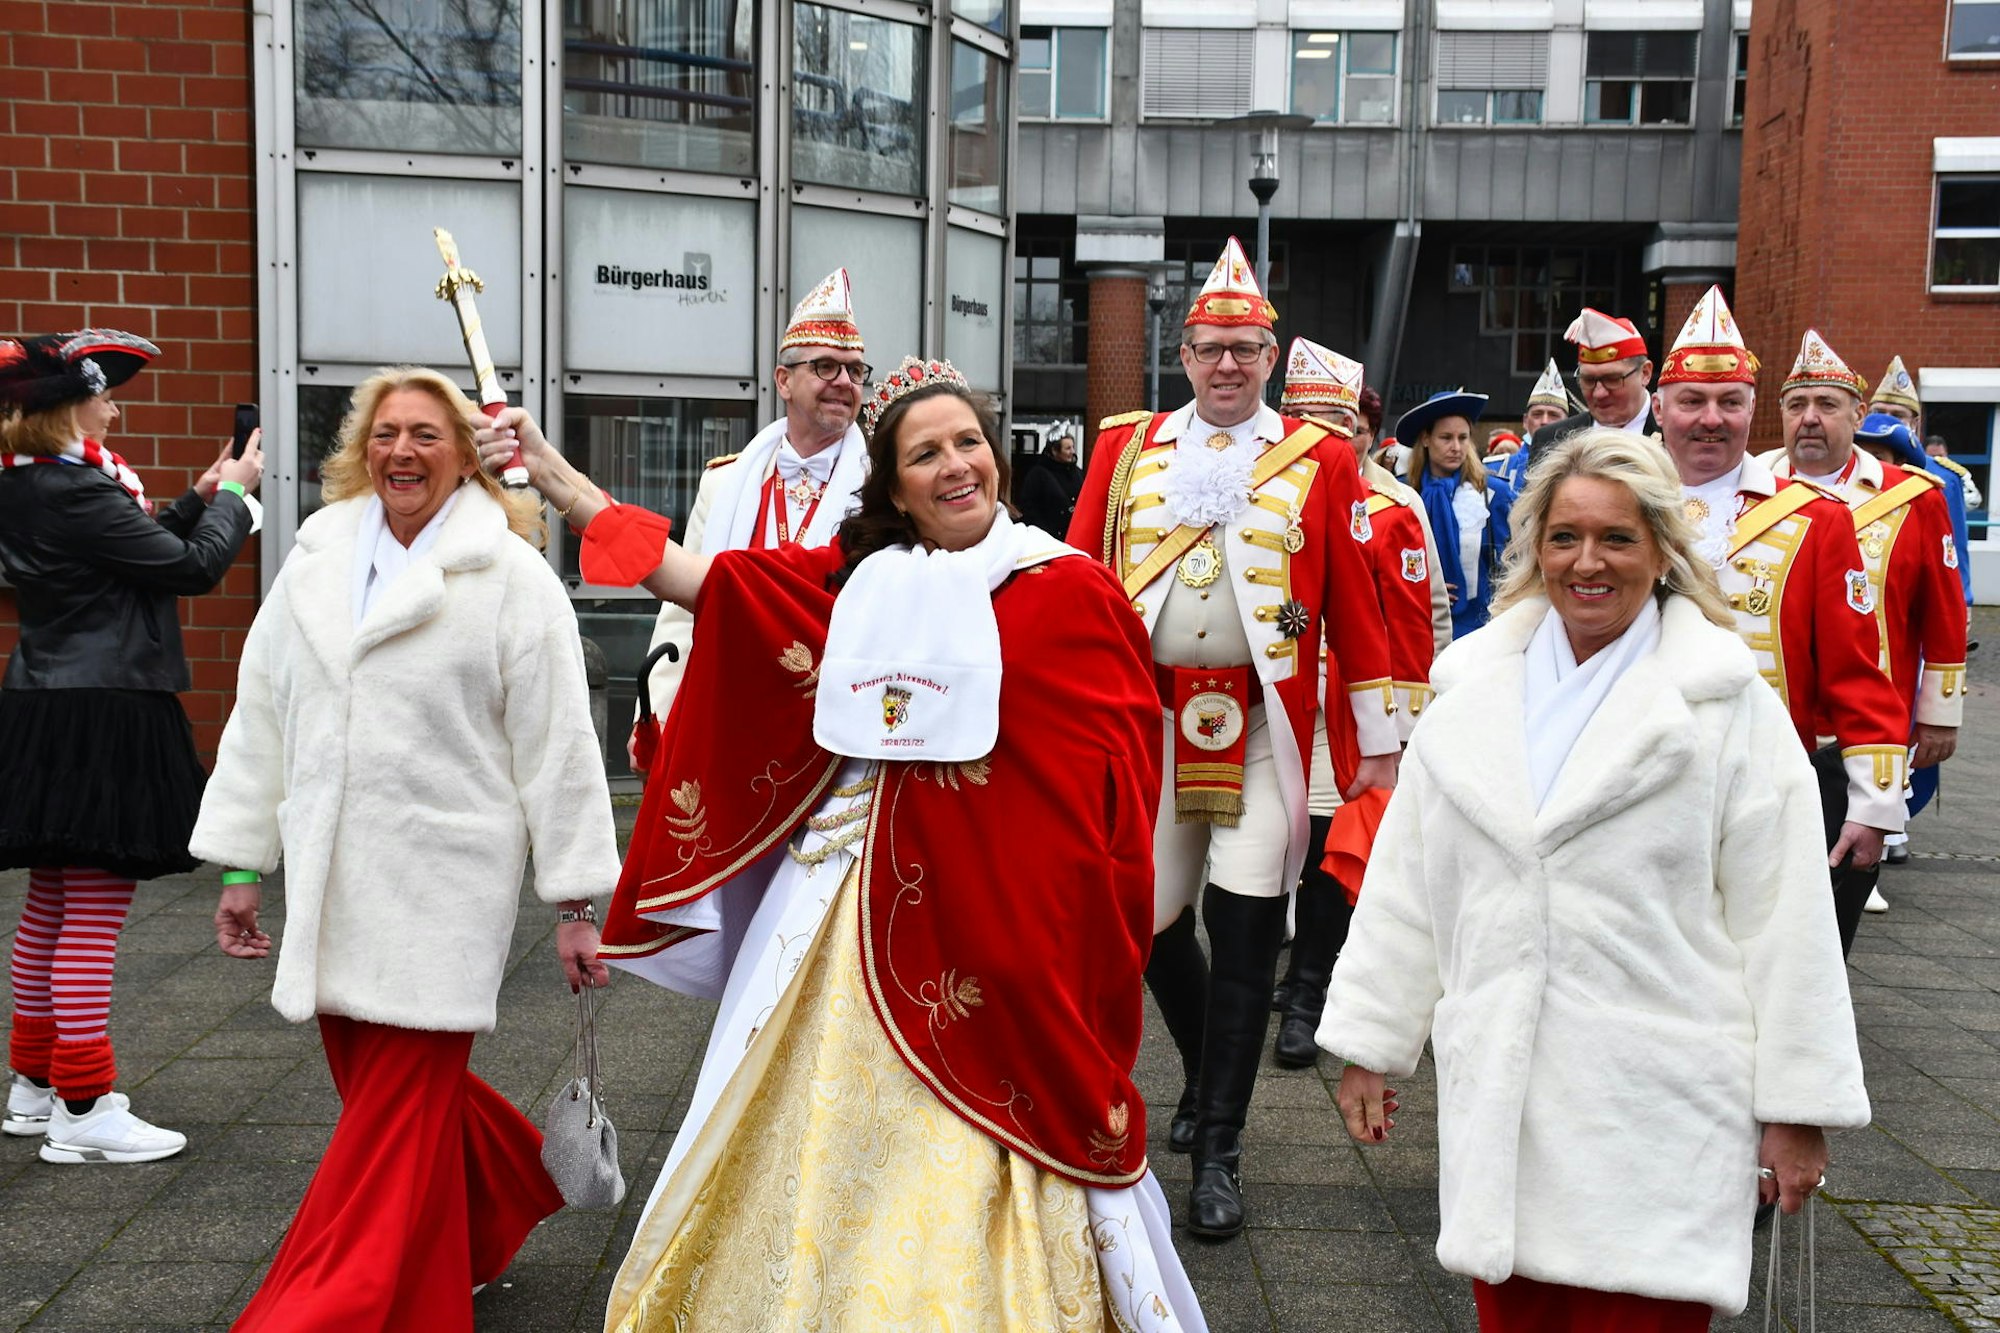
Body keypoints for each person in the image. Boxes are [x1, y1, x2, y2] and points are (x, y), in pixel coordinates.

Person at [479, 356, 1205, 1331]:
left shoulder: (1073, 592)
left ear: (993, 456)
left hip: (1010, 944)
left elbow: (1113, 798)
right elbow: (704, 583)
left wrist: (1082, 927)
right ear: (892, 484)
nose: (954, 464)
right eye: (924, 452)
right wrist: (555, 475)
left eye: (967, 442)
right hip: (849, 932)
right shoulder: (857, 584)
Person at [1324, 426, 1871, 1329]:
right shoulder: (1469, 692)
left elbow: (1790, 922)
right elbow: (1409, 884)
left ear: (1661, 548)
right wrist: (1375, 1040)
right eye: (1565, 535)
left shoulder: (1726, 705)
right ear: (1535, 545)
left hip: (1656, 1112)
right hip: (1503, 1103)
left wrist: (1797, 1108)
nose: (1589, 561)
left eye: (1617, 537)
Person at [191, 366, 621, 1330]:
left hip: (442, 891)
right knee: (397, 1105)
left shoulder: (509, 579)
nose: (402, 451)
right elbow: (263, 717)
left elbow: (559, 745)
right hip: (332, 885)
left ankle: (317, 1311)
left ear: (467, 456)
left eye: (427, 434)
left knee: (383, 1134)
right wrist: (239, 862)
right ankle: (488, 1206)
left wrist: (576, 903)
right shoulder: (311, 563)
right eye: (386, 433)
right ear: (360, 450)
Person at [1066, 238, 1398, 1239]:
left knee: (1247, 927)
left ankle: (1218, 1147)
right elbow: (1077, 574)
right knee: (1149, 922)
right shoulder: (1127, 448)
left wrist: (1377, 740)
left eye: (1244, 350)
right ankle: (1215, 1059)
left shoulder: (1321, 459)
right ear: (1182, 350)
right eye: (1210, 348)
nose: (1226, 365)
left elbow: (1358, 602)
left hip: (1260, 725)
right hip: (1150, 723)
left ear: (1268, 356)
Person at [0, 330, 262, 1162]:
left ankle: (35, 1086)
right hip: (106, 707)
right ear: (66, 407)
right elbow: (187, 570)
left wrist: (197, 493)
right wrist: (239, 502)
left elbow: (135, 553)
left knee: (51, 901)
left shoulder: (34, 485)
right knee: (95, 910)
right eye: (103, 395)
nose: (114, 407)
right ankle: (84, 1108)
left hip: (47, 703)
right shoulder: (75, 490)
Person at [1654, 288, 1909, 957]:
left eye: (1730, 402)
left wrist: (1874, 803)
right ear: (1659, 408)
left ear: (1750, 411)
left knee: (1762, 974)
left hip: (1764, 791)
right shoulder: (1613, 503)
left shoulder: (1817, 521)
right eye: (1691, 401)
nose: (1711, 419)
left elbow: (1859, 669)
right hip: (1633, 785)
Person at [1271, 338, 1440, 1070]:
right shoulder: (1256, 484)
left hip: (1351, 707)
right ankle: (1279, 975)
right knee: (1271, 843)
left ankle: (1309, 989)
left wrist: (1402, 725)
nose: (1319, 434)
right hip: (1267, 697)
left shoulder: (1394, 507)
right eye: (1301, 416)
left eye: (1335, 422)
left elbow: (1415, 617)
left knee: (1332, 843)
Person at [632, 268, 871, 767]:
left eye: (855, 370)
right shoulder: (725, 482)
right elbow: (681, 613)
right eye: (826, 367)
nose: (844, 382)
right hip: (729, 721)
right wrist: (654, 713)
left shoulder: (883, 491)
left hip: (834, 734)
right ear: (784, 380)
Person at [1765, 333, 1965, 913]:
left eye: (1826, 405)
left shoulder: (1914, 498)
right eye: (1796, 405)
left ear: (1859, 414)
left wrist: (1939, 715)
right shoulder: (1748, 489)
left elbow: (1944, 612)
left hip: (1873, 718)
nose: (1809, 419)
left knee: (1838, 883)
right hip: (1778, 716)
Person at [1402, 390, 1515, 638]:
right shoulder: (1403, 493)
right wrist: (1424, 586)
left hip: (1479, 631)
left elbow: (1515, 563)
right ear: (1426, 439)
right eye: (1446, 437)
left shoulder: (1494, 494)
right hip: (1414, 626)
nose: (1456, 447)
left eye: (1463, 438)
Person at [1524, 307, 1657, 470]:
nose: (1599, 393)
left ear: (1645, 373)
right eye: (1588, 380)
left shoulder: (1677, 434)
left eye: (1612, 379)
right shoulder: (1551, 441)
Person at [1017, 428, 1084, 535]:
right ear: (1054, 451)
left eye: (1073, 447)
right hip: (1048, 538)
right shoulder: (1037, 475)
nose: (1072, 452)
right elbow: (1029, 508)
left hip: (1074, 535)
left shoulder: (1078, 473)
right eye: (1067, 448)